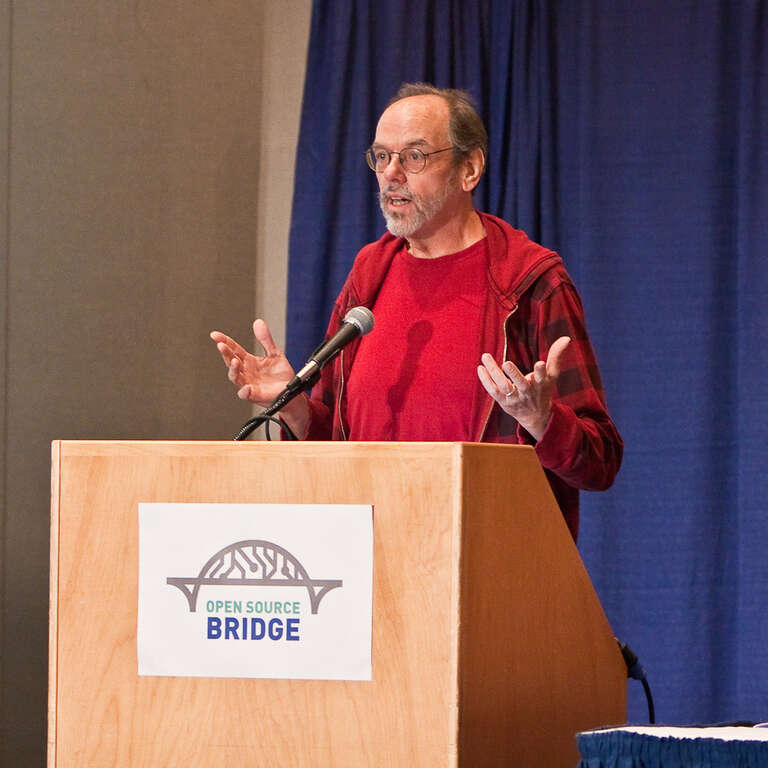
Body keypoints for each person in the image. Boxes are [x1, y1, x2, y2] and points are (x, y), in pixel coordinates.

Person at [211, 82, 623, 541]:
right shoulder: (369, 275)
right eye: (381, 157)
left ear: (469, 168)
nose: (391, 174)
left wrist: (543, 421)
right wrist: (294, 407)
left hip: (486, 557)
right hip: (368, 559)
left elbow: (601, 462)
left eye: (414, 156)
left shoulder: (529, 282)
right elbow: (337, 441)